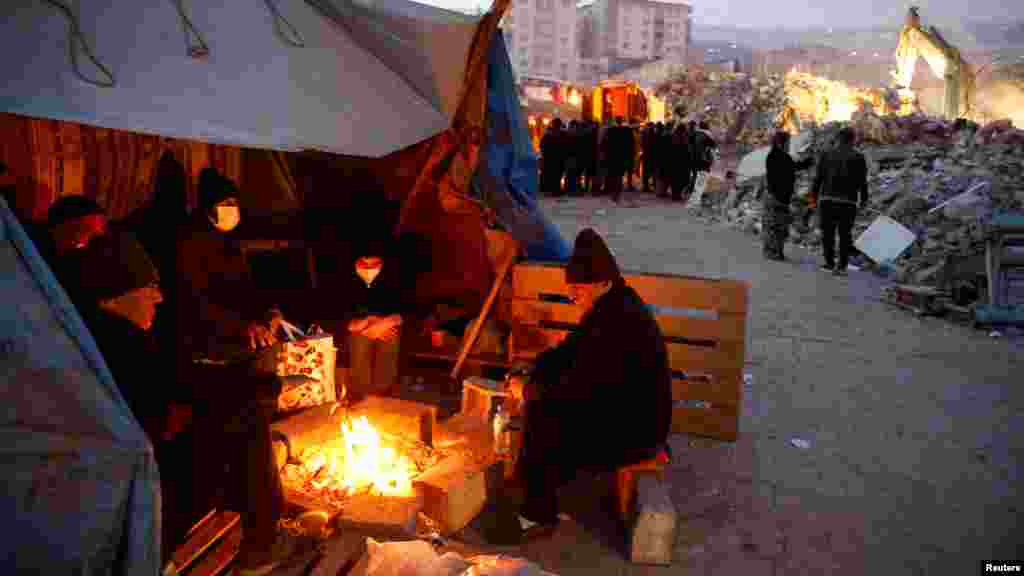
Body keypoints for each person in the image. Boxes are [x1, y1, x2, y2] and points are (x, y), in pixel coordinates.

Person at [63, 231, 299, 574]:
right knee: (242, 418)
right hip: (129, 486)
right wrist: (265, 386)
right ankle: (261, 543)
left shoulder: (96, 333)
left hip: (122, 471)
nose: (158, 298)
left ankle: (259, 536)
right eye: (148, 289)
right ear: (113, 298)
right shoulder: (119, 343)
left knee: (238, 408)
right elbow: (181, 381)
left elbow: (180, 375)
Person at [504, 228, 672, 541]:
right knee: (544, 397)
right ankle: (532, 493)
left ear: (603, 282)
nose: (572, 296)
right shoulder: (611, 307)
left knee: (545, 413)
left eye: (578, 289)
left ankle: (536, 515)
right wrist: (532, 371)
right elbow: (569, 353)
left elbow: (581, 388)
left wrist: (528, 391)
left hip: (638, 430)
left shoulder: (619, 321)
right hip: (624, 411)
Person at [176, 167, 284, 361]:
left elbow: (244, 286)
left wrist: (269, 310)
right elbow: (195, 302)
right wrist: (243, 326)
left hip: (236, 331)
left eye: (234, 203)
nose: (232, 209)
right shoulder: (188, 241)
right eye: (226, 203)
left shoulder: (228, 239)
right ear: (209, 205)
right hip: (202, 339)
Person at [347, 235, 407, 401]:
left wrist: (388, 321)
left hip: (388, 324)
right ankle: (360, 397)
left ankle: (382, 397)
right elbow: (333, 309)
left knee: (390, 334)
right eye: (363, 264)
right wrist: (358, 324)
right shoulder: (343, 277)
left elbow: (411, 308)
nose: (368, 269)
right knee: (359, 338)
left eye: (374, 265)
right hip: (356, 329)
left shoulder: (398, 274)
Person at [810, 127, 868, 276]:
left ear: (838, 138)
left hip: (827, 200)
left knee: (827, 233)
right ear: (852, 139)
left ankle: (829, 263)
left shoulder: (826, 154)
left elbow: (818, 179)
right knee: (845, 234)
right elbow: (862, 182)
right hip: (848, 202)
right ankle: (842, 266)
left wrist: (812, 199)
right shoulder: (858, 157)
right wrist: (864, 200)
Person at [763, 130, 814, 261]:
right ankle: (774, 252)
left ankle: (772, 251)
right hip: (778, 197)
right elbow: (792, 167)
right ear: (781, 143)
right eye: (788, 143)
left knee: (774, 225)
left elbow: (793, 167)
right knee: (778, 226)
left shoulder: (774, 155)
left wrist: (806, 163)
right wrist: (808, 162)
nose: (789, 146)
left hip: (776, 196)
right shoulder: (780, 156)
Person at [604, 117, 635, 204]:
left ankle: (614, 193)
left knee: (613, 175)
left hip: (612, 156)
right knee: (619, 176)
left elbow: (605, 143)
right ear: (622, 121)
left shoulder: (610, 130)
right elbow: (631, 144)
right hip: (622, 156)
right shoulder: (627, 131)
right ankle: (617, 193)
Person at [539, 119, 566, 197]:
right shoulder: (562, 134)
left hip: (550, 159)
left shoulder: (548, 135)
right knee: (556, 175)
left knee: (551, 175)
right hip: (558, 158)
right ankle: (555, 190)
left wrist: (543, 156)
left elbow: (542, 147)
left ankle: (551, 190)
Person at [671, 122, 693, 202]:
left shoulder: (674, 136)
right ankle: (677, 194)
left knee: (676, 179)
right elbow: (686, 150)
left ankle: (676, 194)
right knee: (681, 179)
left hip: (675, 161)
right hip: (681, 162)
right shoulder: (682, 137)